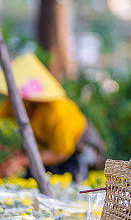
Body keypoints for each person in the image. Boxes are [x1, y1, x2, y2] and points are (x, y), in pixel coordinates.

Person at [0, 53, 106, 181]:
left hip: (78, 150)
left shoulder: (55, 110)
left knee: (70, 187)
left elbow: (61, 152)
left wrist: (22, 161)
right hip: (46, 149)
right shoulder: (16, 103)